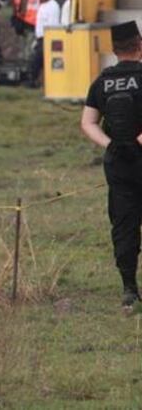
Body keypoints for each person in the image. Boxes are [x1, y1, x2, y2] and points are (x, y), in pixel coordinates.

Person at [80, 21, 142, 311]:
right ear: (139, 46)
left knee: (124, 224)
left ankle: (129, 288)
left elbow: (87, 123)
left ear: (114, 50)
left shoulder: (101, 82)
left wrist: (110, 144)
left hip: (118, 162)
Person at [30, 0, 60, 88]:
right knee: (37, 61)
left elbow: (52, 24)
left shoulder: (53, 6)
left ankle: (33, 80)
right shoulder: (42, 6)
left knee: (37, 61)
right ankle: (36, 81)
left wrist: (47, 39)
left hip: (47, 38)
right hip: (39, 38)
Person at [11, 0, 41, 64]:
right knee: (23, 48)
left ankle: (30, 66)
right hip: (22, 23)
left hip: (34, 24)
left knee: (31, 48)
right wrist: (15, 18)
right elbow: (16, 5)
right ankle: (25, 65)